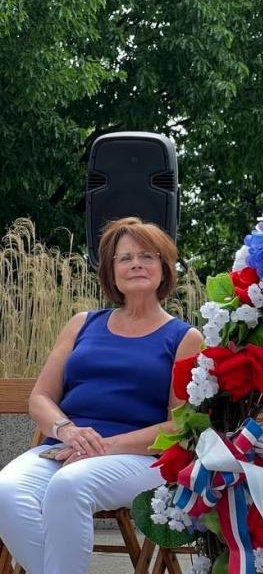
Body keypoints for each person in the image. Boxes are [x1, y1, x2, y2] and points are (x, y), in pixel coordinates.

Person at [0, 217, 203, 573]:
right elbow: (40, 399)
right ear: (112, 272)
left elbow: (179, 428)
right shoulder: (82, 324)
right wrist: (68, 431)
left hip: (140, 457)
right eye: (124, 258)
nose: (136, 263)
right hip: (64, 446)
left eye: (147, 256)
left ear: (164, 268)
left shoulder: (185, 338)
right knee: (5, 491)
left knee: (69, 485)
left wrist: (103, 446)